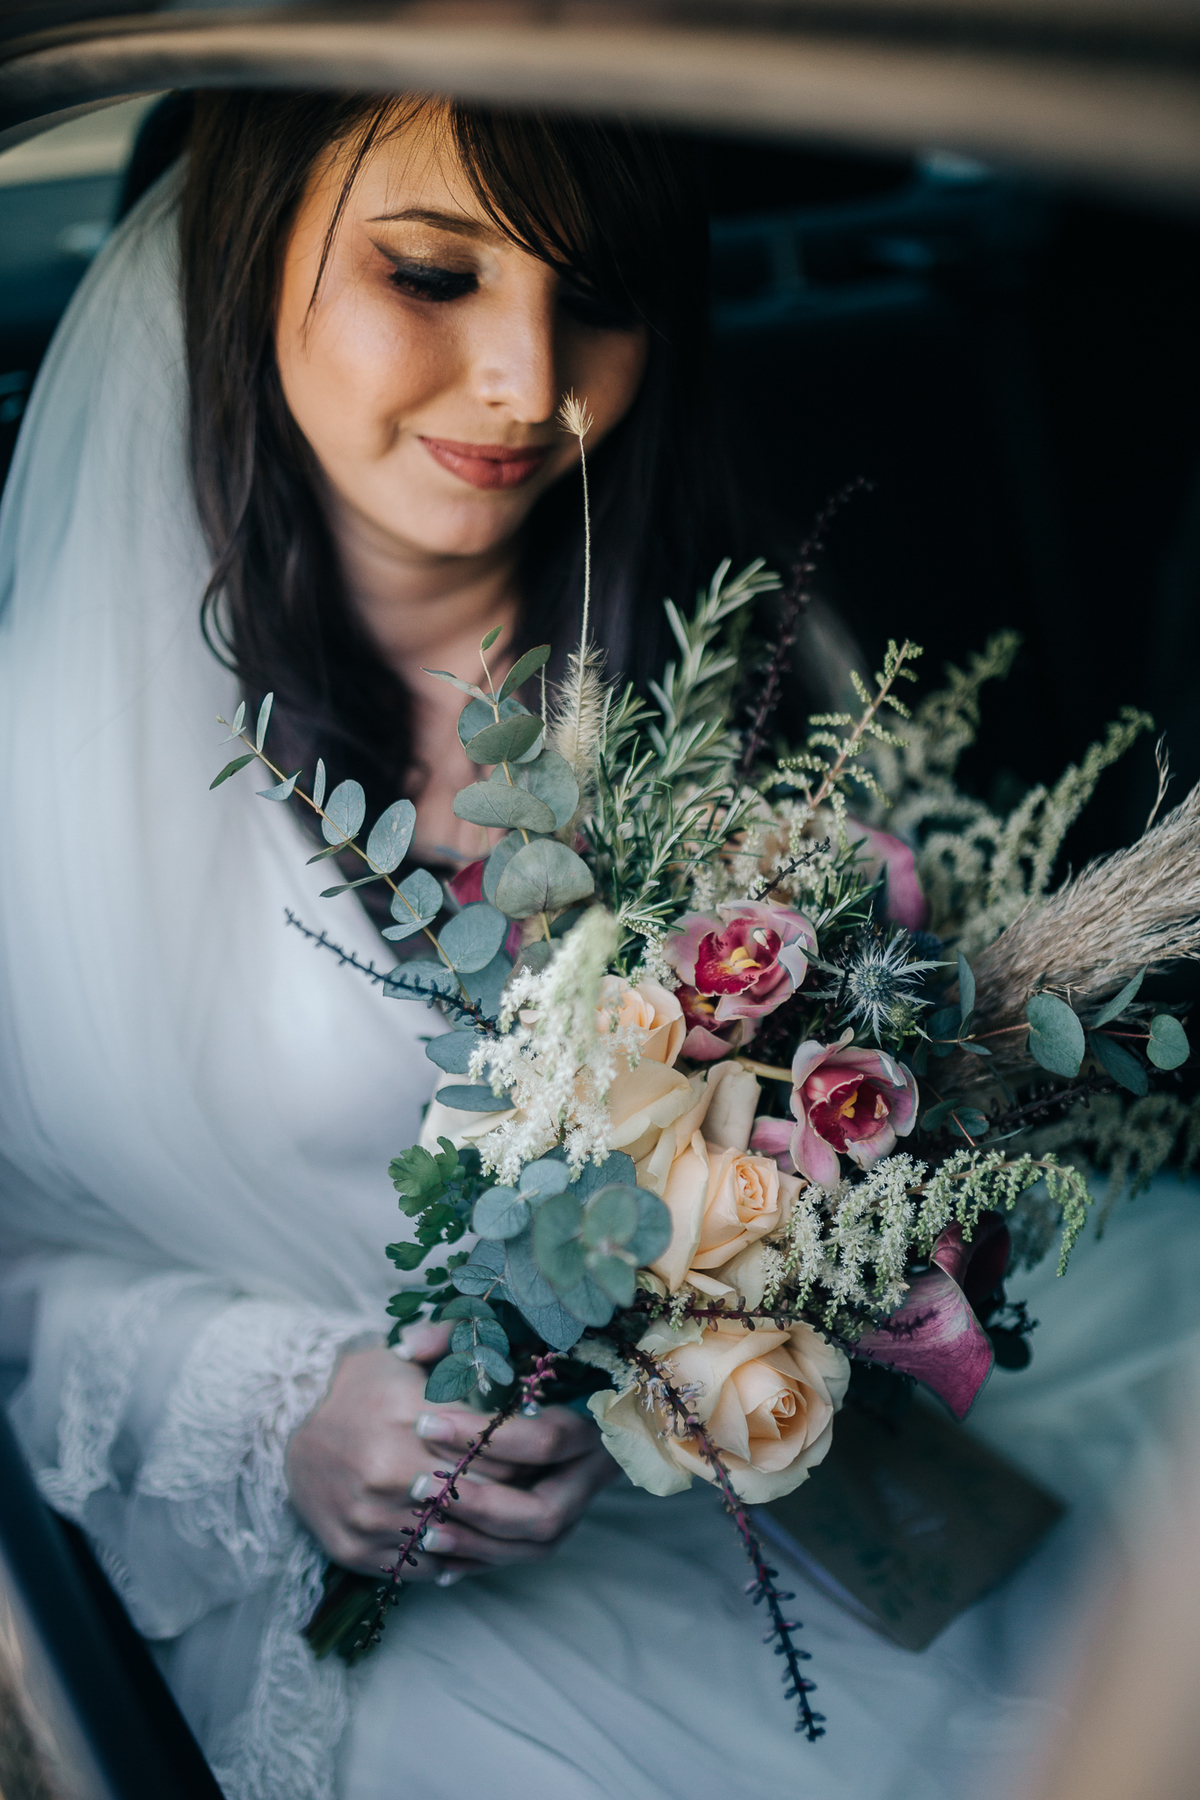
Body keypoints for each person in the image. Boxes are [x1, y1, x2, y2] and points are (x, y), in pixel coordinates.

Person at [2, 88, 1200, 1800]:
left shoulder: (730, 655)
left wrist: (826, 1233)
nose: (525, 381)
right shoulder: (52, 759)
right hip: (419, 1573)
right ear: (244, 258)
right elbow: (19, 1258)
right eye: (432, 276)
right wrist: (282, 1411)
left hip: (771, 1461)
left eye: (600, 299)